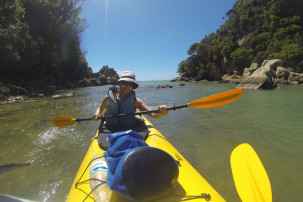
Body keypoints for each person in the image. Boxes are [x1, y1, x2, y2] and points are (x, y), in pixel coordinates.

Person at [92, 71, 168, 132]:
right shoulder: (108, 98)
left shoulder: (136, 101)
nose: (128, 87)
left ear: (133, 87)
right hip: (110, 128)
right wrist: (97, 114)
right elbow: (101, 108)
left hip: (129, 129)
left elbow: (153, 115)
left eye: (131, 84)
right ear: (120, 83)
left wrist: (162, 112)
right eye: (125, 83)